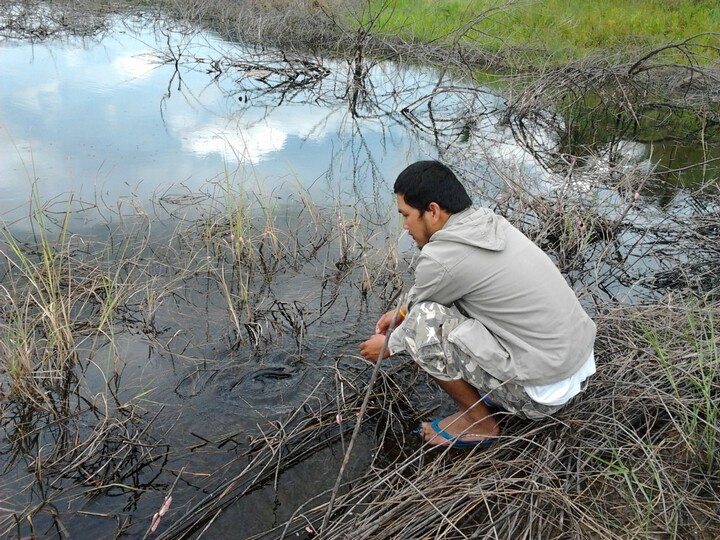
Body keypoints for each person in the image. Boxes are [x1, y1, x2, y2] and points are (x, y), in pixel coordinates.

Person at [359, 160, 596, 447]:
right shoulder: (488, 223)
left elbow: (419, 316)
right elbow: (437, 287)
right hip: (577, 367)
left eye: (406, 215)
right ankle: (495, 395)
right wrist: (398, 312)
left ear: (432, 211)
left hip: (541, 397)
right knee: (439, 309)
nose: (405, 226)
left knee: (422, 323)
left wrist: (386, 346)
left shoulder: (441, 256)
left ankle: (479, 423)